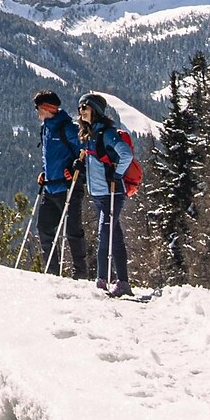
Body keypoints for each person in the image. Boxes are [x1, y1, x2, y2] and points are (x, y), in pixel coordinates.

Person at [78, 93, 135, 297]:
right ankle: (123, 282)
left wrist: (116, 173)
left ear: (95, 110)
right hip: (100, 193)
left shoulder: (106, 134)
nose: (81, 111)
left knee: (105, 234)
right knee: (115, 237)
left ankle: (101, 281)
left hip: (112, 193)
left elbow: (126, 154)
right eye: (80, 108)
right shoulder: (89, 134)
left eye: (85, 107)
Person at [30, 90, 87, 278]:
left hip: (68, 187)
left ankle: (80, 273)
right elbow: (50, 157)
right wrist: (44, 173)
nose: (37, 111)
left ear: (47, 108)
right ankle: (52, 272)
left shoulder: (67, 128)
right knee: (44, 229)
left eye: (38, 107)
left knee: (72, 231)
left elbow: (84, 151)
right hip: (50, 186)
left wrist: (73, 168)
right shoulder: (45, 128)